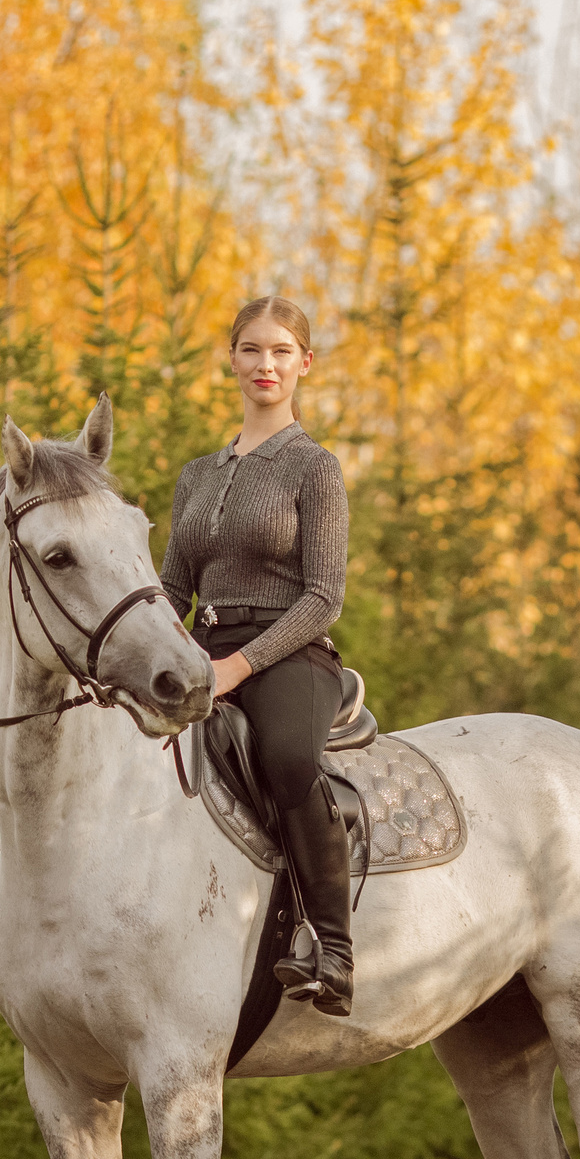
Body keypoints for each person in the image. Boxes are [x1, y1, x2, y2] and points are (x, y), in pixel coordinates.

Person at [160, 296, 355, 1017]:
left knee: (286, 757)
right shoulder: (197, 477)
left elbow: (324, 596)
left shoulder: (315, 468)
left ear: (304, 364)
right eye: (251, 349)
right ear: (231, 359)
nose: (264, 364)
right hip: (199, 648)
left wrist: (238, 669)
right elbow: (172, 586)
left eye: (280, 351)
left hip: (290, 652)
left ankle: (332, 949)